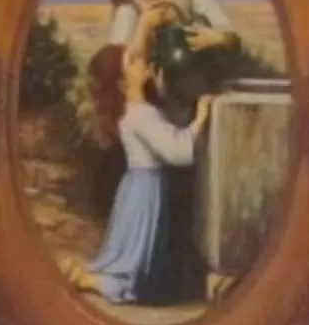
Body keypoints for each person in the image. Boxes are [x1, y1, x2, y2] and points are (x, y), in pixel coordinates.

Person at [79, 44, 213, 309]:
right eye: (133, 61)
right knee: (137, 261)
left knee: (133, 253)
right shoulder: (141, 114)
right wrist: (201, 117)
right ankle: (99, 282)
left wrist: (160, 88)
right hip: (146, 191)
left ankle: (104, 277)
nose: (141, 61)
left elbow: (164, 132)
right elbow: (178, 151)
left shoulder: (135, 112)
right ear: (121, 82)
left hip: (135, 187)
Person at [101, 0, 244, 122]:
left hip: (202, 86)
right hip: (153, 105)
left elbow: (231, 35)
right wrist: (144, 27)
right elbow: (116, 67)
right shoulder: (129, 10)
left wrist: (215, 37)